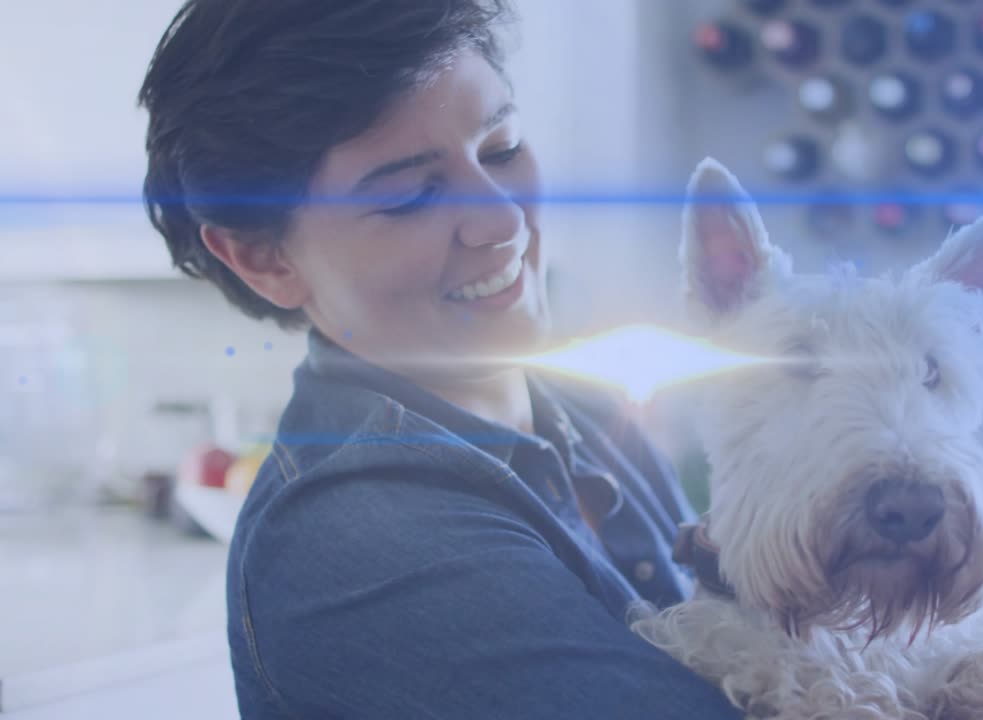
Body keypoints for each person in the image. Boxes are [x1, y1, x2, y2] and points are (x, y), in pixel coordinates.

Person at [137, 1, 743, 717]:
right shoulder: (359, 543)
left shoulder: (587, 407)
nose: (504, 221)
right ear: (264, 258)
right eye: (410, 195)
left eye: (502, 149)